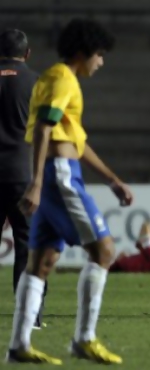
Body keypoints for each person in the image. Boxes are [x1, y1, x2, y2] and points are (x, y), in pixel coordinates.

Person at [6, 19, 132, 365]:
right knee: (104, 251)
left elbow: (74, 139)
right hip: (60, 177)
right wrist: (35, 182)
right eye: (99, 55)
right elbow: (46, 127)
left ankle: (18, 345)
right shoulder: (64, 79)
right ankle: (84, 338)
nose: (101, 62)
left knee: (42, 262)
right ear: (83, 52)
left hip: (55, 173)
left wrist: (112, 179)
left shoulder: (54, 77)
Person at [0, 28, 48, 330]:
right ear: (27, 54)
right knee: (26, 244)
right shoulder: (38, 83)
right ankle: (30, 317)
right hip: (22, 174)